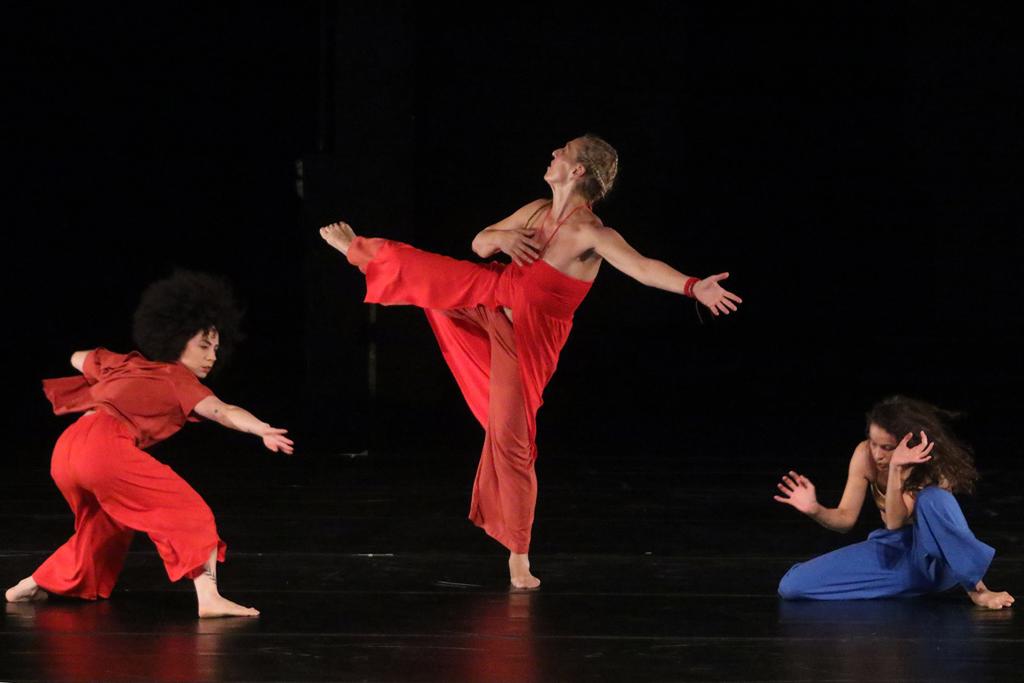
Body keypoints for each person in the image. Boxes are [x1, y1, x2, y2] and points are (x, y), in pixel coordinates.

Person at [320, 135, 743, 588]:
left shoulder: (591, 233)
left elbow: (641, 267)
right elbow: (480, 245)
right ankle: (359, 252)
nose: (554, 154)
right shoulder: (536, 210)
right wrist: (502, 236)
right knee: (434, 276)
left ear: (578, 171)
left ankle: (518, 558)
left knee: (512, 442)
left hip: (525, 340)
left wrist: (693, 286)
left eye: (564, 151)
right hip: (488, 296)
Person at [4, 271, 294, 617]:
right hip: (102, 448)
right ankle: (209, 599)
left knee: (109, 522)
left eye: (216, 349)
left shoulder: (128, 364)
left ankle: (35, 582)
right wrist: (261, 428)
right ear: (175, 339)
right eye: (203, 346)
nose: (212, 357)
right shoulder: (178, 379)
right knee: (185, 509)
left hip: (67, 449)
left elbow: (78, 357)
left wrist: (108, 375)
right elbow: (223, 411)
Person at [774, 395, 1014, 609]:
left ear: (906, 442)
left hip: (936, 561)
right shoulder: (864, 454)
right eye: (873, 442)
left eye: (887, 447)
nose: (877, 454)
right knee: (792, 586)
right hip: (895, 554)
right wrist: (815, 509)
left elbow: (895, 522)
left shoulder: (933, 467)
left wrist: (897, 469)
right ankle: (902, 585)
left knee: (934, 498)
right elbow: (845, 519)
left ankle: (977, 589)